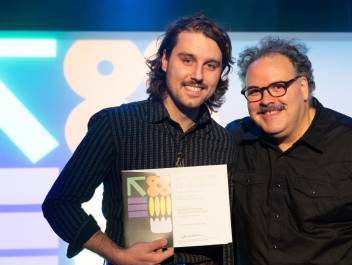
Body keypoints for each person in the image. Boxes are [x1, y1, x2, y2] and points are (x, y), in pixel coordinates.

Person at [42, 15, 235, 265]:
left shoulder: (224, 141)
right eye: (187, 60)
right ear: (165, 60)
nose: (198, 75)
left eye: (211, 65)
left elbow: (228, 238)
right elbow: (60, 204)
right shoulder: (117, 125)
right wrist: (117, 255)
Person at [226, 37, 352, 265]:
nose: (267, 100)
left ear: (303, 87)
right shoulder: (234, 140)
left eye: (278, 87)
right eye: (255, 91)